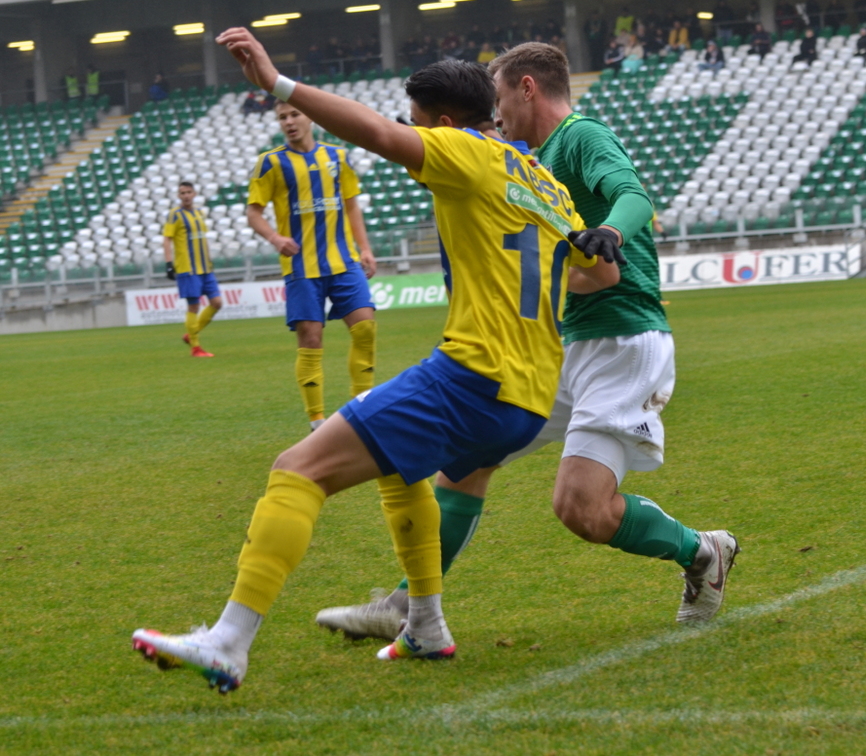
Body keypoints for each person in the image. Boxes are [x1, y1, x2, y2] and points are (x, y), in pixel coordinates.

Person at [133, 44, 621, 690]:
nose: (415, 133)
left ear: (444, 124)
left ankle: (227, 640)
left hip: (472, 376)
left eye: (420, 121)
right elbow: (602, 271)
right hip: (528, 396)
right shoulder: (541, 180)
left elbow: (377, 132)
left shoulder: (466, 150)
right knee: (400, 471)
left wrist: (279, 82)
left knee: (297, 469)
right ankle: (425, 623)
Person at [315, 42, 739, 643]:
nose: (496, 110)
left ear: (528, 88)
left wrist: (611, 230)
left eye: (500, 95)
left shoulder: (581, 136)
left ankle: (702, 552)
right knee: (464, 465)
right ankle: (408, 604)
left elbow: (635, 195)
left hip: (621, 339)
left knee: (580, 509)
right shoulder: (529, 162)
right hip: (558, 343)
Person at [245, 98, 379, 430]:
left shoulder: (337, 157)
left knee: (364, 327)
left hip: (343, 260)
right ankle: (317, 421)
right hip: (301, 267)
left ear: (310, 117)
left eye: (295, 114)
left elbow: (351, 207)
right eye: (282, 117)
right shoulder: (271, 163)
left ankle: (362, 409)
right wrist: (276, 239)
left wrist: (365, 249)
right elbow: (253, 213)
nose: (289, 121)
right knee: (310, 339)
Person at [162, 181, 222, 357]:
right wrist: (168, 263)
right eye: (182, 193)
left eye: (189, 192)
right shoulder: (175, 215)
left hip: (205, 267)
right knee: (193, 306)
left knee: (217, 303)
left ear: (194, 193)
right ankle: (196, 348)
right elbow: (167, 239)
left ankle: (190, 334)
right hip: (187, 268)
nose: (186, 195)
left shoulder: (199, 213)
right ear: (178, 196)